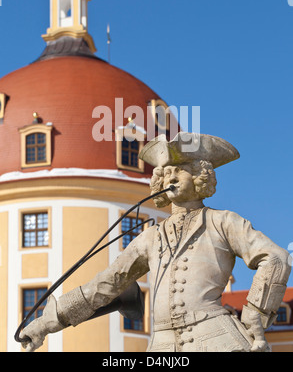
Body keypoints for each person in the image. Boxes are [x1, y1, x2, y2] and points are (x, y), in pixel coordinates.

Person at [20, 133, 291, 352]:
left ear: (200, 178)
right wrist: (46, 323)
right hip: (161, 344)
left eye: (181, 171)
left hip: (214, 337)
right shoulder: (150, 237)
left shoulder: (224, 221)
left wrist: (255, 312)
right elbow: (104, 286)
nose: (171, 177)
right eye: (166, 172)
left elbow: (276, 258)